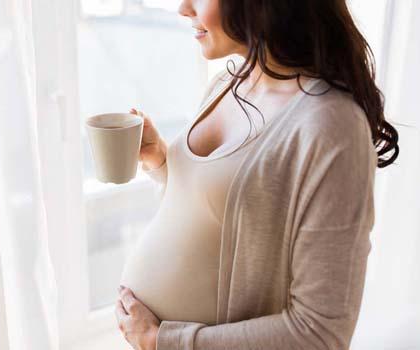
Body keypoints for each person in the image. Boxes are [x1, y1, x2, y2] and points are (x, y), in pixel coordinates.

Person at [115, 0, 399, 349]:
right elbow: (218, 221)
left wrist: (164, 341)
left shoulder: (332, 125)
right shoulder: (228, 83)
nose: (183, 8)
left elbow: (321, 332)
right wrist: (160, 162)